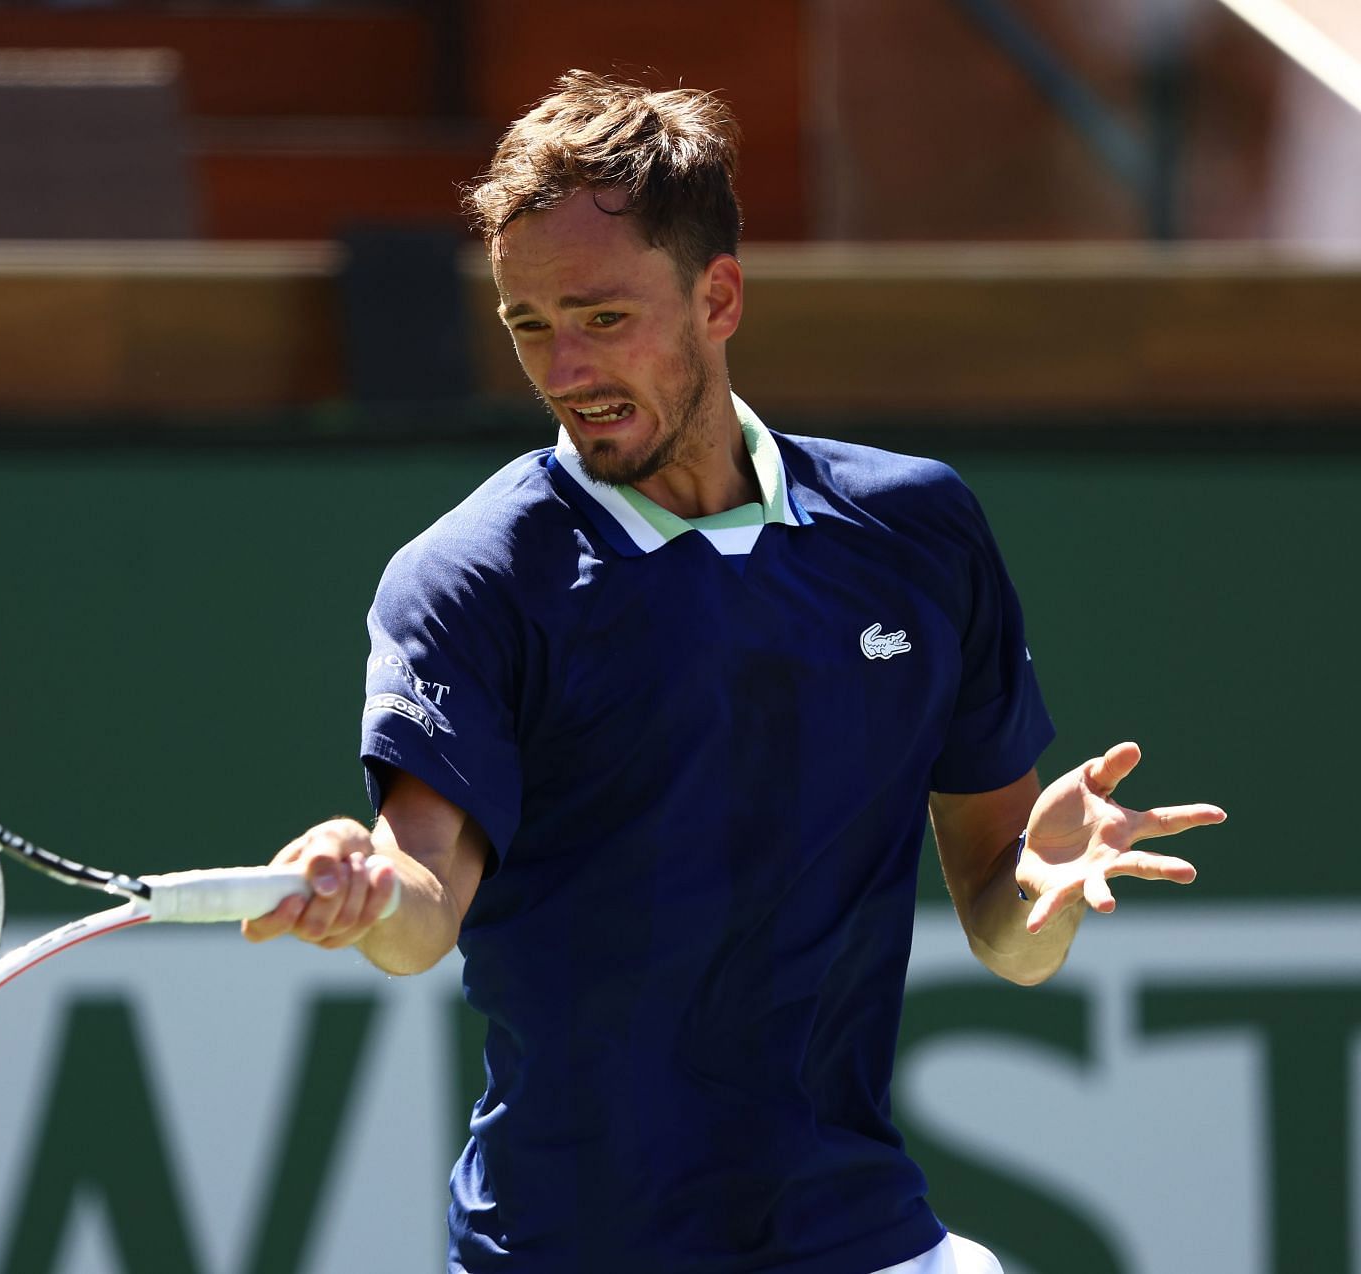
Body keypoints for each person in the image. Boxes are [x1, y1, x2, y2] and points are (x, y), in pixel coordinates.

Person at [243, 69, 1224, 1274]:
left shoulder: (917, 529)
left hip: (859, 1235)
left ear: (719, 295)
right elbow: (421, 903)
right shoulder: (467, 577)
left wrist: (1041, 882)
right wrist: (365, 883)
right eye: (527, 324)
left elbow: (1001, 925)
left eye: (603, 317)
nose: (564, 369)